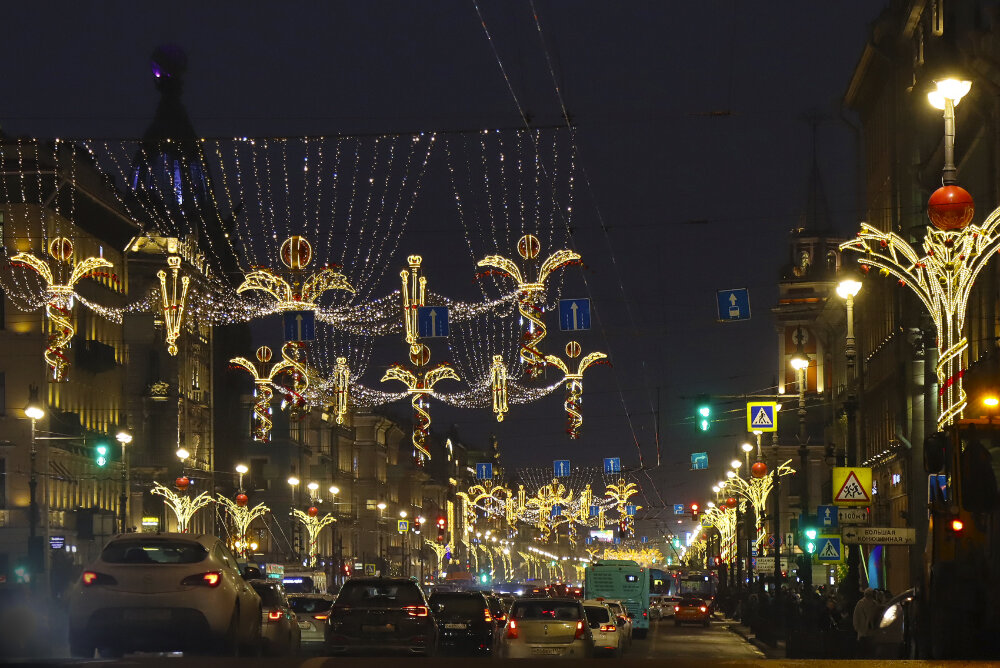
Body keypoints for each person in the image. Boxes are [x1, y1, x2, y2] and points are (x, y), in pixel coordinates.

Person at [853, 588, 880, 657]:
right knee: (867, 651)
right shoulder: (872, 604)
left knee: (866, 651)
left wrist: (857, 627)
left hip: (867, 631)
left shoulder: (861, 604)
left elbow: (856, 617)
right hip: (866, 631)